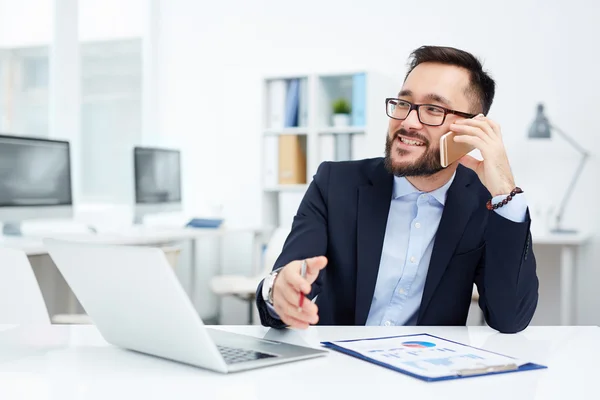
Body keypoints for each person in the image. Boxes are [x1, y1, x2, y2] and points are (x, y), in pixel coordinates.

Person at [255, 45, 538, 334]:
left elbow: (510, 319)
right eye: (403, 103)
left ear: (470, 130)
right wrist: (279, 292)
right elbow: (291, 281)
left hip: (428, 371)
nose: (408, 122)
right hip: (337, 368)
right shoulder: (335, 183)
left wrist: (505, 191)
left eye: (433, 109)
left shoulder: (486, 204)